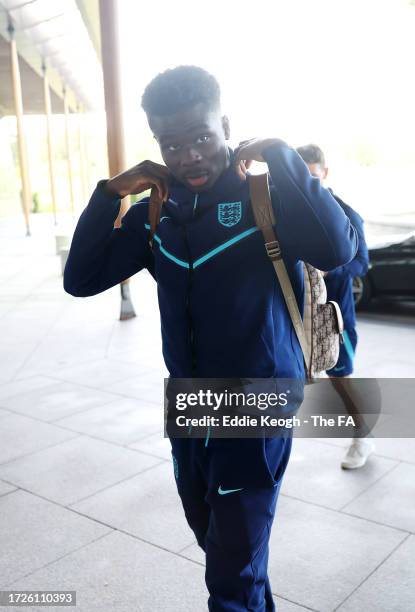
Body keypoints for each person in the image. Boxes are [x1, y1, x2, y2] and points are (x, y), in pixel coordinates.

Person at [64, 66, 357, 611]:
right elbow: (80, 280)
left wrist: (283, 156)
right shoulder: (160, 212)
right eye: (171, 144)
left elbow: (337, 250)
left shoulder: (262, 198)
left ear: (224, 125)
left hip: (257, 399)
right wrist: (109, 195)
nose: (188, 156)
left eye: (201, 137)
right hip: (191, 401)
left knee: (230, 567)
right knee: (215, 539)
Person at [296, 143, 373, 470]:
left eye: (312, 177)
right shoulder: (283, 212)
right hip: (293, 315)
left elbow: (362, 264)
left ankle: (362, 435)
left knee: (341, 377)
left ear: (324, 174)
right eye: (299, 177)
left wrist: (329, 270)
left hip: (334, 315)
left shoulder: (345, 213)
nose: (306, 185)